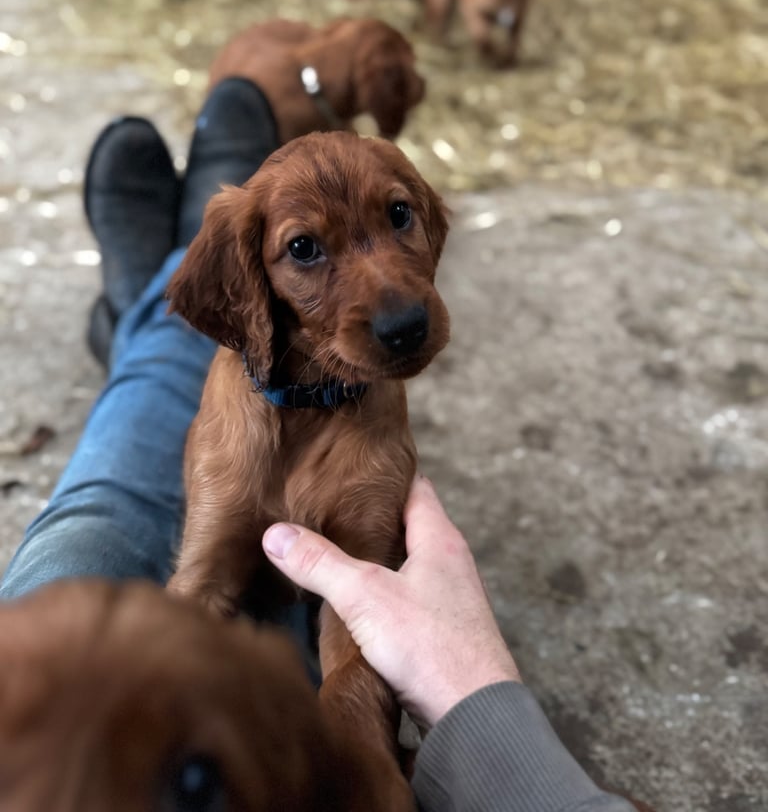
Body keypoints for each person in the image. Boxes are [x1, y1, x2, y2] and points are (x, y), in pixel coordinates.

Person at [0, 76, 637, 812]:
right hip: (251, 386)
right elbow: (203, 593)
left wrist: (357, 759)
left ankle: (147, 298)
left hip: (341, 408)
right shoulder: (245, 295)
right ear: (250, 292)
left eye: (399, 218)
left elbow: (362, 613)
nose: (395, 302)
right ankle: (172, 278)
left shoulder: (376, 393)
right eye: (306, 249)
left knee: (97, 519)